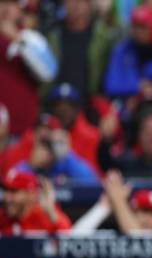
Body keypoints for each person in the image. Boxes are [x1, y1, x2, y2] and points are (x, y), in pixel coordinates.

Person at [0, 0, 57, 135]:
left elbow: (49, 72)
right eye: (2, 3)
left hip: (21, 130)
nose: (6, 10)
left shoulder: (31, 37)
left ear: (20, 10)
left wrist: (16, 38)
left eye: (12, 5)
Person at [15, 114, 98, 183]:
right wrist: (32, 167)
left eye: (49, 130)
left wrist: (67, 156)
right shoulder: (26, 161)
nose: (44, 134)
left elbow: (92, 182)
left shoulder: (65, 163)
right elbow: (12, 181)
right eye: (39, 130)